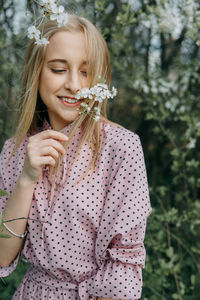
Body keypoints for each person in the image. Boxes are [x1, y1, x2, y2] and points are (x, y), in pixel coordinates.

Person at [0, 12, 151, 300]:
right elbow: (2, 257)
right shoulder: (15, 150)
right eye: (58, 69)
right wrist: (26, 178)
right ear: (37, 72)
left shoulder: (121, 148)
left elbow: (124, 266)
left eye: (86, 71)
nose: (74, 84)